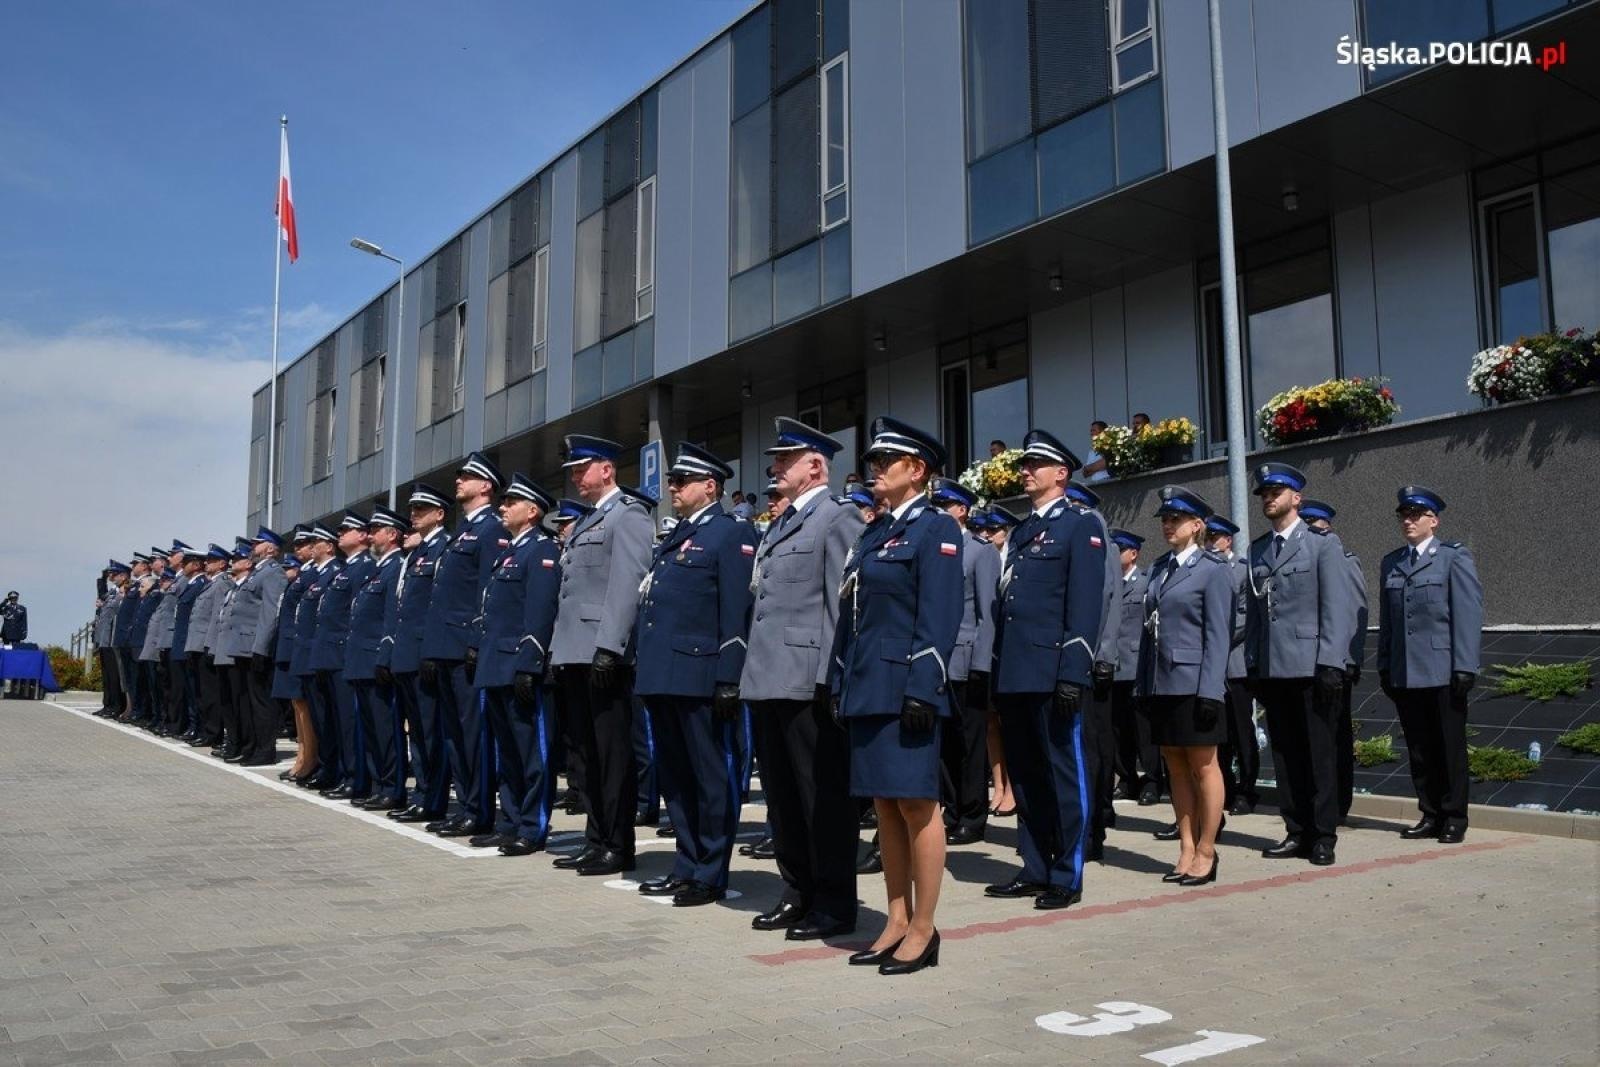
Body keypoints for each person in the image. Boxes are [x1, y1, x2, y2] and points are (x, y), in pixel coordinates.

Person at [832, 417, 962, 975]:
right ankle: (895, 917)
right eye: (874, 463)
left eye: (888, 462)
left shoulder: (937, 531)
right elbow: (852, 617)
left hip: (907, 686)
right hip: (868, 685)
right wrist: (839, 679)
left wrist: (923, 688)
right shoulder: (873, 533)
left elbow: (940, 616)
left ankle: (925, 927)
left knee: (917, 804)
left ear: (919, 471)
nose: (876, 471)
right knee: (885, 805)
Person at [741, 417, 865, 940]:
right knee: (783, 797)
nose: (773, 468)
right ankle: (798, 891)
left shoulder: (838, 519)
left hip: (807, 681)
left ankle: (834, 904)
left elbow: (843, 607)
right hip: (769, 678)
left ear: (814, 466)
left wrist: (830, 679)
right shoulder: (782, 522)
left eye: (783, 459)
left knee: (822, 800)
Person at [984, 429, 1104, 911]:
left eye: (1037, 464)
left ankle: (1066, 874)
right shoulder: (1021, 532)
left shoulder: (1081, 524)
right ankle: (1034, 865)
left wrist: (1074, 671)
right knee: (1029, 775)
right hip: (1016, 671)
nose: (1026, 471)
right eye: (1025, 464)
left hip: (1055, 671)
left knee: (1063, 775)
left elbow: (1085, 604)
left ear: (1062, 473)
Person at [632, 443, 757, 904]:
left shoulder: (729, 533)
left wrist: (730, 675)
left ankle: (710, 871)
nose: (673, 487)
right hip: (664, 674)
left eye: (682, 481)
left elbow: (736, 610)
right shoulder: (675, 535)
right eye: (672, 480)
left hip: (702, 674)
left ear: (710, 486)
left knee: (708, 776)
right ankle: (685, 863)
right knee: (677, 777)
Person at [548, 436, 653, 876]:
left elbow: (627, 586)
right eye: (572, 469)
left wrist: (610, 647)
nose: (575, 476)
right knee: (585, 755)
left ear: (607, 469)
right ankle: (596, 838)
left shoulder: (627, 516)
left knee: (611, 755)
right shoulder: (592, 519)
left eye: (582, 467)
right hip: (573, 652)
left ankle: (618, 843)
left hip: (602, 654)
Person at [1244, 463, 1357, 867]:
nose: (1268, 497)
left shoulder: (1322, 544)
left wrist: (1331, 662)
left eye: (1277, 491)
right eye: (1264, 493)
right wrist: (1253, 663)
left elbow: (1337, 608)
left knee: (1319, 755)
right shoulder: (1257, 550)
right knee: (1287, 755)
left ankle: (1323, 834)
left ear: (1296, 498)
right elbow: (1257, 614)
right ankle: (1296, 830)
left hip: (1312, 668)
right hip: (1275, 670)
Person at [1137, 486, 1233, 886]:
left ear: (1198, 525)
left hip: (1195, 683)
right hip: (1164, 683)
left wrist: (1211, 690)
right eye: (1164, 519)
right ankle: (1186, 846)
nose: (1168, 525)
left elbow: (1218, 635)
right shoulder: (1160, 568)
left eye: (1176, 519)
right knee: (1175, 766)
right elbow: (1149, 633)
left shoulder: (1213, 570)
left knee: (1203, 766)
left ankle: (1208, 851)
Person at [1378, 486, 1482, 844]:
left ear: (1433, 521)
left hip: (1442, 669)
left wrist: (1465, 666)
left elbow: (1467, 614)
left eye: (1415, 515)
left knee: (1448, 746)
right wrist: (1385, 664)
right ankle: (1430, 812)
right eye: (1403, 515)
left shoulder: (1453, 558)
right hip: (1406, 670)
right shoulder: (1392, 562)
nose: (1407, 521)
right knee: (1419, 748)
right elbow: (1389, 621)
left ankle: (1454, 815)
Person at [422, 452, 510, 837]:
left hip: (466, 648)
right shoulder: (463, 531)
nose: (459, 481)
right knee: (455, 733)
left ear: (486, 486)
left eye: (468, 476)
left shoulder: (491, 529)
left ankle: (481, 810)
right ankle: (467, 804)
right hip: (446, 646)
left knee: (474, 733)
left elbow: (488, 592)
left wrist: (477, 640)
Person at [476, 474, 563, 856]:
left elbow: (539, 613)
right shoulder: (508, 552)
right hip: (496, 664)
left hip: (520, 666)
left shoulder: (541, 551)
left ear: (532, 512)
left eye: (510, 502)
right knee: (507, 752)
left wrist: (530, 663)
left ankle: (532, 826)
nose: (502, 507)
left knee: (531, 753)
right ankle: (509, 822)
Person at [929, 477, 997, 847]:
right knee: (944, 745)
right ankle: (951, 810)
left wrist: (981, 665)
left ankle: (972, 815)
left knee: (970, 745)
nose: (939, 510)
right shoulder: (935, 547)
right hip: (937, 660)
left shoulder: (979, 551)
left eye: (945, 505)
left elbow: (987, 612)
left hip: (967, 661)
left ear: (962, 510)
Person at [385, 484, 454, 823]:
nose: (414, 514)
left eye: (422, 508)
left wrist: (430, 650)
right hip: (407, 653)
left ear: (439, 514)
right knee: (418, 733)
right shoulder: (419, 552)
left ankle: (435, 798)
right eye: (413, 508)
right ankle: (423, 793)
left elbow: (436, 607)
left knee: (431, 731)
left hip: (425, 653)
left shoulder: (444, 547)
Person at [1299, 500, 1368, 823]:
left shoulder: (1342, 559)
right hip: (1306, 663)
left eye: (1316, 524)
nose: (1311, 529)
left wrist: (1350, 659)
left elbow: (1353, 610)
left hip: (1335, 663)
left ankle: (1339, 803)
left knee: (1337, 736)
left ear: (1327, 526)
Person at [345, 507, 409, 811]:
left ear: (392, 534)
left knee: (386, 728)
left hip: (377, 660)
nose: (370, 535)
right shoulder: (377, 569)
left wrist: (385, 655)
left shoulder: (396, 566)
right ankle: (377, 783)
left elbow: (391, 617)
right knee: (370, 727)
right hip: (361, 659)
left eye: (376, 529)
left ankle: (392, 787)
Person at [1071, 481, 1122, 862]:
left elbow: (1108, 599)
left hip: (1091, 664)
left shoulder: (1098, 535)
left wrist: (1104, 654)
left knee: (1092, 751)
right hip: (1066, 664)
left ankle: (1093, 830)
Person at [312, 514, 373, 794]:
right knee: (334, 720)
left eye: (347, 530)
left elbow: (358, 613)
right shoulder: (345, 568)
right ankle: (338, 773)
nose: (341, 533)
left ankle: (354, 778)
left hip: (343, 653)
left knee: (349, 723)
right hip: (330, 654)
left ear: (362, 536)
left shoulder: (362, 568)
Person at [1204, 516, 1259, 815]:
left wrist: (1213, 636)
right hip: (1211, 668)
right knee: (1218, 734)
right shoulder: (1204, 570)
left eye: (1218, 537)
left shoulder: (1240, 570)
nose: (1212, 542)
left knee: (1241, 730)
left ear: (1229, 540)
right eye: (1209, 537)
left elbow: (1244, 616)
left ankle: (1247, 790)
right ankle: (1224, 789)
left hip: (1234, 664)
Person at [1106, 531, 1156, 802]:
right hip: (1114, 665)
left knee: (1142, 728)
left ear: (1133, 554)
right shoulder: (1110, 584)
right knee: (1118, 727)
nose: (1114, 555)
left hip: (1137, 664)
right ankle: (1126, 778)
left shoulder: (1145, 583)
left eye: (1119, 550)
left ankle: (1151, 779)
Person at [290, 526, 339, 787]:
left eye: (317, 541)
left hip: (324, 653)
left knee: (327, 716)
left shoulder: (334, 572)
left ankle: (329, 767)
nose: (312, 546)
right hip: (311, 652)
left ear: (328, 547)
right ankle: (322, 765)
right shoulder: (319, 575)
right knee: (318, 716)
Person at [272, 529, 317, 780]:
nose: (299, 548)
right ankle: (302, 753)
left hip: (299, 645)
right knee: (297, 703)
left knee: (303, 704)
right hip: (291, 645)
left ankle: (308, 757)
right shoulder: (303, 573)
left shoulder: (312, 574)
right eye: (297, 544)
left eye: (305, 543)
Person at [183, 546, 231, 748]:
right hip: (197, 644)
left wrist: (210, 645)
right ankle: (205, 730)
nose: (206, 564)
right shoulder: (210, 584)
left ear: (222, 564)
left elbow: (217, 617)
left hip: (206, 645)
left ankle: (213, 733)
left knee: (211, 694)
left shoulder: (221, 584)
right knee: (202, 693)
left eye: (211, 560)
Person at [93, 564, 128, 717]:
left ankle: (116, 706)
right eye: (110, 574)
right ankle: (108, 704)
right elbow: (102, 596)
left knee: (114, 675)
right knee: (107, 676)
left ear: (124, 576)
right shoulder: (113, 592)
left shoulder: (123, 592)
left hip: (112, 639)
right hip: (104, 639)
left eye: (115, 574)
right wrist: (102, 578)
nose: (112, 577)